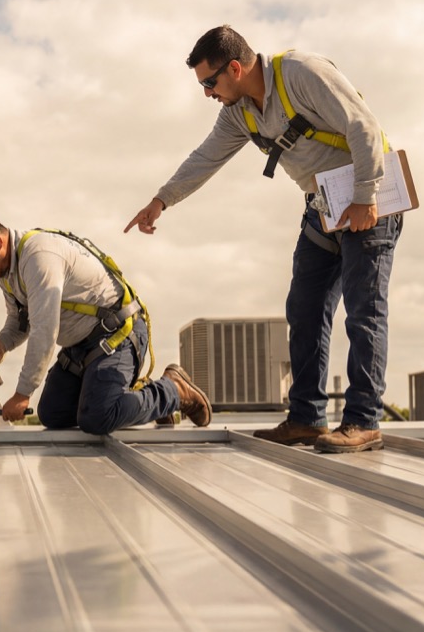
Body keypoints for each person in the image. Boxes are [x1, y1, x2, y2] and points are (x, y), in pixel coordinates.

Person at [125, 25, 401, 453]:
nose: (207, 93)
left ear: (234, 68)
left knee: (364, 311)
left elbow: (363, 126)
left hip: (370, 199)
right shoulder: (239, 111)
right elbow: (205, 157)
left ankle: (364, 421)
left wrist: (366, 198)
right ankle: (307, 418)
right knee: (305, 309)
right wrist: (161, 201)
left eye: (209, 83)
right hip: (323, 205)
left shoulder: (302, 74)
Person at [0, 211, 211, 434]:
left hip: (117, 337)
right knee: (52, 414)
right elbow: (20, 322)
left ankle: (173, 391)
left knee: (97, 417)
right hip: (81, 348)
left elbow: (44, 327)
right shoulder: (6, 274)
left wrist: (22, 393)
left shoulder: (38, 256)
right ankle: (138, 401)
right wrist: (1, 344)